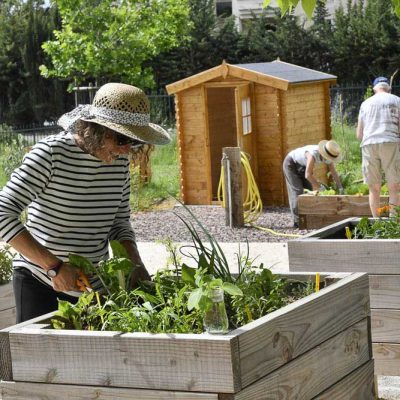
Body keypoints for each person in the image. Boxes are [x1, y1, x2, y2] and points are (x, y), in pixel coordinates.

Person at [0, 82, 171, 323]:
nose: (125, 150)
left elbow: (118, 224)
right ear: (96, 129)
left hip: (92, 288)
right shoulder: (50, 154)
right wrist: (54, 267)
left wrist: (136, 265)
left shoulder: (119, 164)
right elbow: (3, 212)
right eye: (122, 139)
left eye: (132, 142)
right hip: (41, 281)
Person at [356, 76, 400, 217]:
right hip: (390, 142)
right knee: (394, 187)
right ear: (388, 88)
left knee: (374, 188)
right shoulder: (397, 100)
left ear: (375, 88)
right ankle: (394, 225)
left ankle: (377, 224)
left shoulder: (365, 103)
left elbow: (359, 134)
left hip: (369, 144)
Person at [283, 140, 343, 228]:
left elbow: (333, 172)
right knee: (297, 191)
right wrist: (319, 187)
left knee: (310, 190)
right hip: (291, 164)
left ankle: (309, 217)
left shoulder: (329, 156)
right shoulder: (313, 154)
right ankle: (298, 221)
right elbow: (308, 175)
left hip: (302, 166)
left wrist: (340, 187)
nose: (330, 160)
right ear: (324, 154)